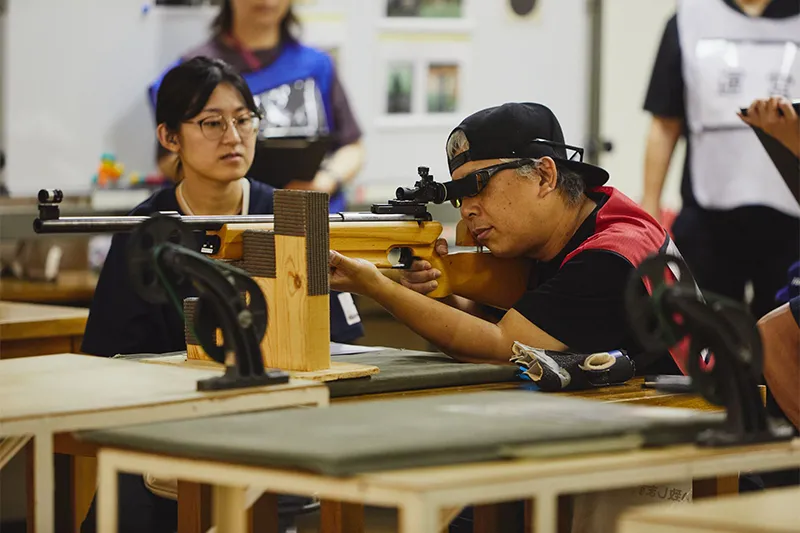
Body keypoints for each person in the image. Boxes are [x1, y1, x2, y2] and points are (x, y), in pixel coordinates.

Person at [80, 57, 311, 533]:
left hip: (280, 422)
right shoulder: (144, 231)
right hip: (169, 428)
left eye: (244, 119)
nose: (233, 136)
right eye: (211, 122)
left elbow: (344, 339)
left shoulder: (288, 215)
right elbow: (108, 358)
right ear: (169, 137)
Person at [149, 0, 365, 342]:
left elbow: (353, 145)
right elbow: (166, 158)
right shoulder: (196, 66)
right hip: (224, 226)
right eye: (213, 122)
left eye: (243, 120)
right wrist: (221, 182)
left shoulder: (316, 64)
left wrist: (317, 186)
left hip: (303, 223)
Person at [640, 0, 800, 322]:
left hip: (791, 219)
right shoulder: (690, 18)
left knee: (783, 341)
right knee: (704, 332)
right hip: (708, 214)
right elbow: (664, 123)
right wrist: (650, 207)